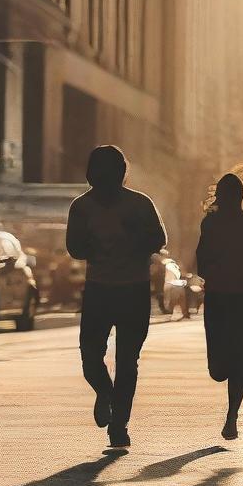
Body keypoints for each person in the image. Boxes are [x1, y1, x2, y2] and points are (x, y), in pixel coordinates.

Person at [66, 145, 167, 448]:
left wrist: (134, 237)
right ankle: (105, 393)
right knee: (90, 358)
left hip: (133, 290)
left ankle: (119, 426)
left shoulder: (139, 205)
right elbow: (74, 247)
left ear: (120, 175)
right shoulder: (81, 208)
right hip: (99, 289)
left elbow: (158, 239)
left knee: (127, 362)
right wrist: (90, 245)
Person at [195, 173, 243, 439]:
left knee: (236, 355)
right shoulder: (211, 224)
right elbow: (201, 257)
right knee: (219, 369)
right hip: (223, 296)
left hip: (241, 297)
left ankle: (232, 416)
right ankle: (231, 411)